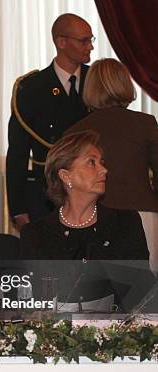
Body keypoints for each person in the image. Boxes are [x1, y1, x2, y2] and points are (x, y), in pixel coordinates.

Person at [20, 131, 151, 311]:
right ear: (66, 176)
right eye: (91, 162)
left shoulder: (125, 224)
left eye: (101, 162)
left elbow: (144, 295)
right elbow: (32, 304)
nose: (104, 169)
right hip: (54, 336)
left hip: (116, 335)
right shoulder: (35, 235)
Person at [66, 58, 158, 271]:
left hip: (91, 217)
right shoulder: (145, 123)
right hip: (142, 214)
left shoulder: (75, 132)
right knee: (144, 292)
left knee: (97, 290)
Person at [7, 13, 94, 231]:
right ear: (61, 42)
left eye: (91, 40)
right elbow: (18, 153)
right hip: (46, 195)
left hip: (92, 194)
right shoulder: (32, 88)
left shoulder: (99, 82)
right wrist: (18, 207)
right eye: (83, 40)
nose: (90, 47)